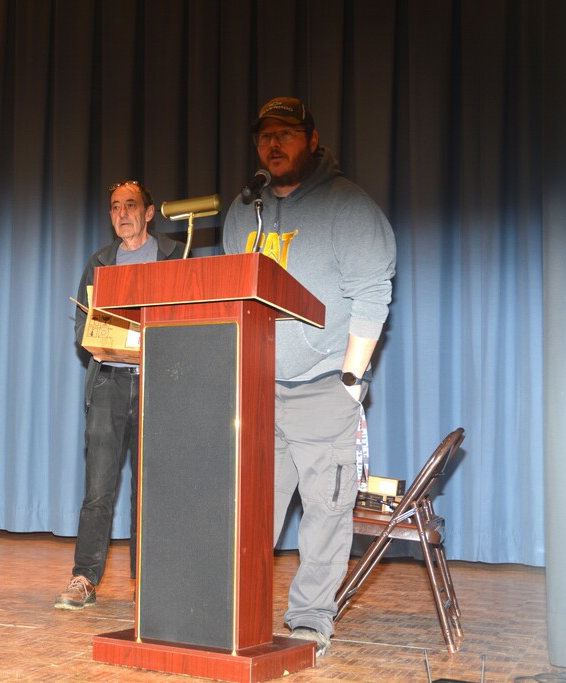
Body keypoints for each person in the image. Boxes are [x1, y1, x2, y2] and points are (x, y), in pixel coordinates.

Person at [222, 97, 397, 657]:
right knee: (250, 513)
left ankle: (310, 622)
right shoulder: (243, 211)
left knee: (325, 514)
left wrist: (349, 380)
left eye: (287, 134)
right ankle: (233, 615)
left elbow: (372, 296)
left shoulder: (349, 207)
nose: (274, 144)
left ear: (313, 140)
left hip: (323, 388)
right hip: (257, 392)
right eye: (265, 136)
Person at [55, 180, 186, 610]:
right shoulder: (99, 262)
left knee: (150, 491)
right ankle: (84, 578)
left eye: (131, 205)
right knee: (98, 490)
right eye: (115, 207)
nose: (122, 214)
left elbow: (191, 319)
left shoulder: (176, 255)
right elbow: (82, 324)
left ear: (149, 213)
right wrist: (98, 341)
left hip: (157, 386)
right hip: (109, 382)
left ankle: (146, 582)